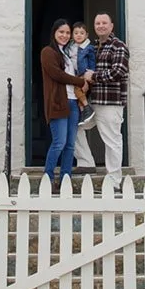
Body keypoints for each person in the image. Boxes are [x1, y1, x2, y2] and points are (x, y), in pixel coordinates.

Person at [39, 18, 92, 190]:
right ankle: (47, 178)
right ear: (54, 33)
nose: (65, 35)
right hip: (58, 102)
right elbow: (57, 74)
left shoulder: (69, 53)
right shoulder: (48, 52)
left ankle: (65, 180)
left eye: (67, 32)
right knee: (59, 143)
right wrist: (79, 81)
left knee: (70, 145)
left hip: (73, 102)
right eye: (61, 32)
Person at [91, 12, 130, 188]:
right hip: (93, 101)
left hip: (110, 103)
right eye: (97, 23)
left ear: (111, 26)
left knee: (112, 140)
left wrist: (93, 77)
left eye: (104, 23)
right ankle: (86, 163)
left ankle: (114, 179)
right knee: (73, 127)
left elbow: (118, 72)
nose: (101, 26)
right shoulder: (93, 46)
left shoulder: (118, 46)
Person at [69, 22, 97, 168]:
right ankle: (84, 109)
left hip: (83, 76)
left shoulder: (88, 48)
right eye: (76, 33)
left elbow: (92, 63)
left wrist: (89, 75)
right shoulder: (70, 48)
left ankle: (86, 109)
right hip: (73, 79)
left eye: (82, 33)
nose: (79, 35)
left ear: (86, 35)